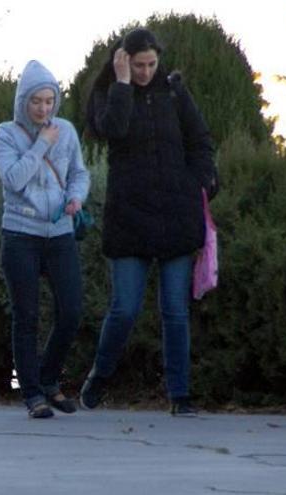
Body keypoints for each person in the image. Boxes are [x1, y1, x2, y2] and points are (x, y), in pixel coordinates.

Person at [80, 28, 218, 417]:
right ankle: (100, 375)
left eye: (151, 64)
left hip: (177, 214)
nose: (145, 71)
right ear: (123, 60)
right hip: (129, 217)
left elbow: (200, 139)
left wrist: (201, 178)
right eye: (137, 65)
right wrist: (122, 84)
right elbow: (113, 131)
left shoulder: (174, 92)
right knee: (124, 308)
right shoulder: (108, 92)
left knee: (175, 309)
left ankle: (180, 394)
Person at [0, 60, 91, 418]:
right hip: (21, 233)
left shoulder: (66, 130)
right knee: (26, 315)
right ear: (24, 101)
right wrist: (40, 146)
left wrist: (77, 196)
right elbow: (14, 180)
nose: (44, 109)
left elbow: (79, 173)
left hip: (60, 232)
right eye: (37, 101)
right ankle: (32, 393)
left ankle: (49, 379)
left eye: (50, 101)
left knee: (72, 311)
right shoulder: (5, 133)